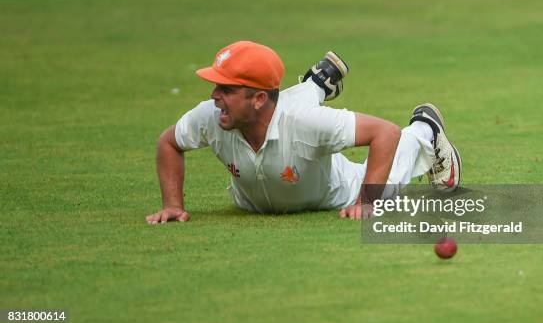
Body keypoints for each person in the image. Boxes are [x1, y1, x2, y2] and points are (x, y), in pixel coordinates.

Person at [146, 41, 461, 223]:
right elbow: (168, 143)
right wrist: (173, 205)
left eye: (226, 89)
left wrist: (367, 201)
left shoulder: (304, 122)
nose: (214, 96)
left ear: (256, 98)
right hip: (255, 197)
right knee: (291, 113)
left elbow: (385, 133)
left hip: (336, 191)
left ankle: (424, 130)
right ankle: (317, 84)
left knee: (387, 187)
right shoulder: (213, 115)